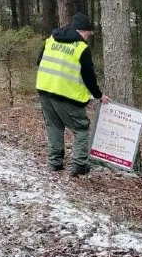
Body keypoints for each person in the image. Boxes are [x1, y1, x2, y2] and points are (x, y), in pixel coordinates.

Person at [35, 12, 108, 177]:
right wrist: (98, 95)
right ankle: (79, 165)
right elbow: (89, 77)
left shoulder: (51, 40)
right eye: (88, 34)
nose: (88, 37)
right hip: (67, 96)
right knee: (81, 128)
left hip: (45, 91)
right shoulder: (81, 48)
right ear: (82, 31)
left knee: (54, 126)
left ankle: (55, 163)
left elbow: (39, 62)